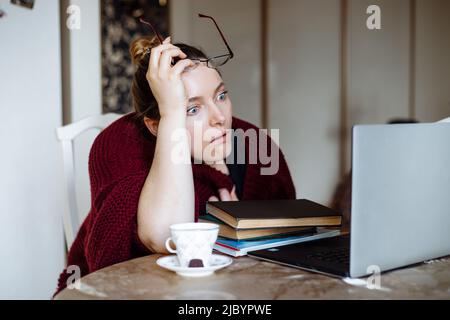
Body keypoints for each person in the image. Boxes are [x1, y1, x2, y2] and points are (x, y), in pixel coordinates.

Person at [54, 25, 296, 295]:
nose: (219, 117)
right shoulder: (117, 144)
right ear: (155, 125)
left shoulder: (252, 142)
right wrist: (172, 112)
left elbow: (290, 237)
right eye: (192, 108)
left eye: (221, 95)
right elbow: (164, 237)